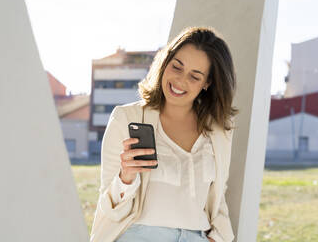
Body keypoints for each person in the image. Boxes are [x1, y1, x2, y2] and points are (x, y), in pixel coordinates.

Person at [90, 26, 239, 242]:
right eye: (177, 67)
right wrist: (126, 177)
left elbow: (217, 197)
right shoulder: (126, 118)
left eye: (194, 77)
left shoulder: (218, 130)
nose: (180, 81)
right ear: (165, 62)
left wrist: (219, 238)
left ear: (208, 83)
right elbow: (109, 206)